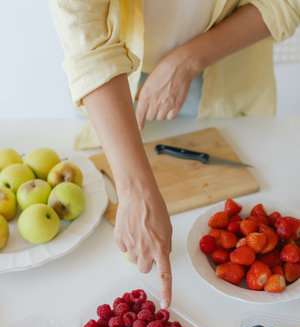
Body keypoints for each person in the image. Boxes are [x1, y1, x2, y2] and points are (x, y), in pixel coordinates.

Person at [49, 0, 300, 308]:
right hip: (113, 83)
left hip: (228, 65)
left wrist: (188, 61)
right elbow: (88, 48)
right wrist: (135, 189)